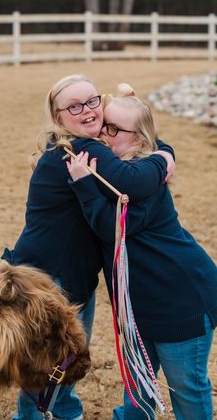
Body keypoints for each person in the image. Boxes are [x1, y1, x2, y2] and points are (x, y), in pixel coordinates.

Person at [2, 74, 175, 420]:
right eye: (75, 106)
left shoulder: (70, 144)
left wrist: (159, 148)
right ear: (58, 115)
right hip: (53, 281)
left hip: (57, 274)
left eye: (93, 101)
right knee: (50, 363)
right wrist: (164, 157)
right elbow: (133, 182)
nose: (87, 111)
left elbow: (135, 139)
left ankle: (65, 413)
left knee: (62, 361)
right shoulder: (82, 148)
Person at [67, 86, 217, 420]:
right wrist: (166, 152)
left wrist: (82, 186)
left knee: (186, 390)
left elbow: (112, 227)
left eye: (114, 130)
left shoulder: (144, 181)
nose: (104, 134)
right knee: (137, 392)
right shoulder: (120, 168)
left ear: (137, 140)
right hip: (138, 310)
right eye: (105, 124)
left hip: (180, 302)